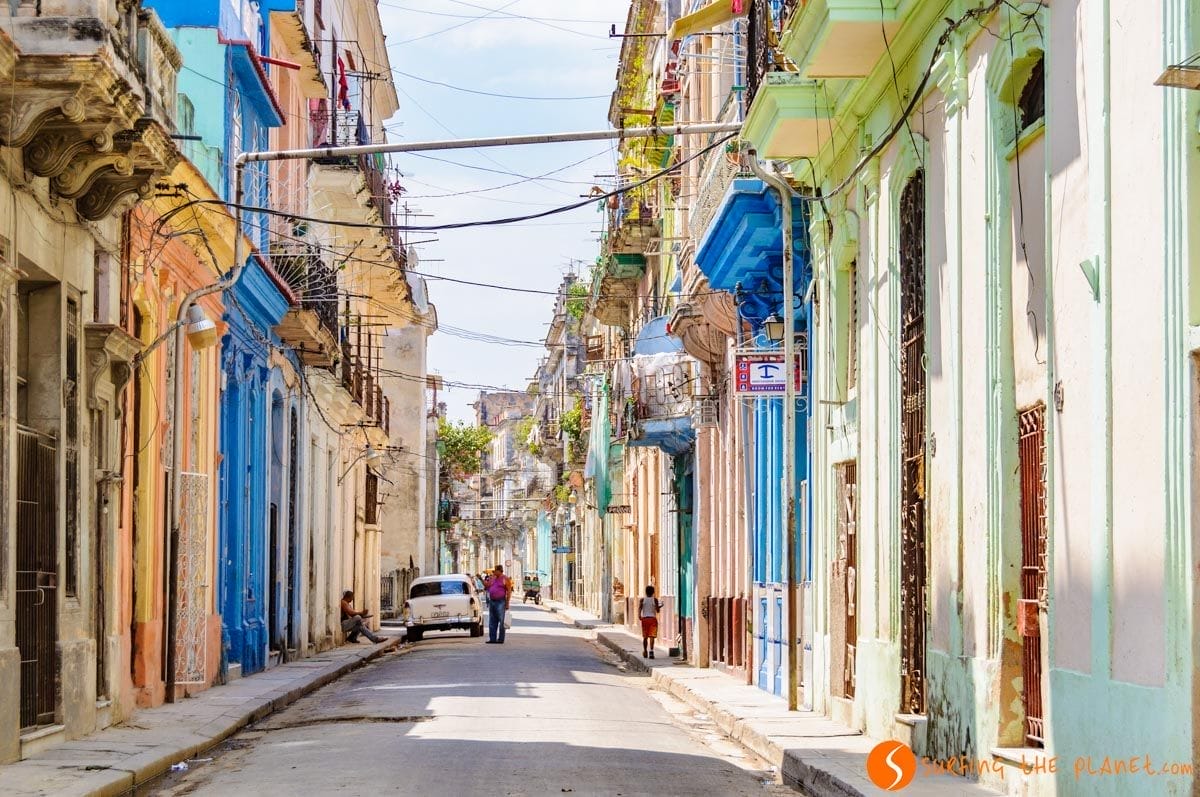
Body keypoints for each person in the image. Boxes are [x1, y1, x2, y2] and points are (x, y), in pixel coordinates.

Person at [483, 565, 512, 644]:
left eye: (495, 570)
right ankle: (492, 639)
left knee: (501, 621)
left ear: (499, 571)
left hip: (500, 602)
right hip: (492, 601)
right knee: (492, 621)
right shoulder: (493, 578)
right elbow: (487, 585)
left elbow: (509, 591)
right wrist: (481, 579)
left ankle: (500, 639)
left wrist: (507, 603)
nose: (494, 572)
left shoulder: (505, 579)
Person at [639, 585, 663, 659]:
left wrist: (639, 616)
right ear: (653, 592)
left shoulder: (642, 600)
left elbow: (639, 608)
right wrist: (660, 606)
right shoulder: (654, 600)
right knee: (652, 636)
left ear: (646, 592)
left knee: (645, 637)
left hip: (645, 619)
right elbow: (657, 611)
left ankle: (645, 651)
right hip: (652, 619)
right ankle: (651, 652)